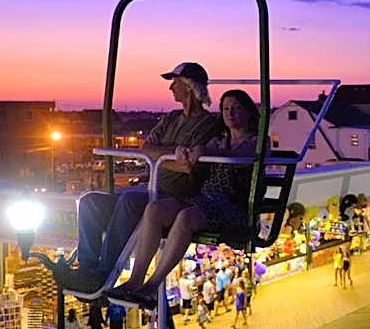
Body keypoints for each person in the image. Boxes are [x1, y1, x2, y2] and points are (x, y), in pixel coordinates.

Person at [57, 62, 222, 293]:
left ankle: (103, 272)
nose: (170, 88)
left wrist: (165, 155)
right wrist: (172, 152)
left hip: (177, 198)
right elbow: (146, 148)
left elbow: (188, 165)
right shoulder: (172, 118)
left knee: (130, 201)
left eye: (175, 82)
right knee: (90, 201)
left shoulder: (209, 124)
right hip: (154, 192)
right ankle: (87, 268)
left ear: (189, 86)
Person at [106, 89, 262, 309]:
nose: (231, 113)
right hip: (205, 199)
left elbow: (239, 158)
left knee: (186, 217)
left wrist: (203, 152)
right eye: (226, 108)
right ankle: (135, 280)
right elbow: (201, 151)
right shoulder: (220, 142)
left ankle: (152, 287)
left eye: (237, 108)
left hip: (231, 206)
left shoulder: (255, 142)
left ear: (248, 112)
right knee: (155, 210)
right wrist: (187, 152)